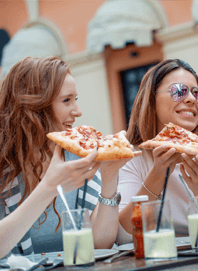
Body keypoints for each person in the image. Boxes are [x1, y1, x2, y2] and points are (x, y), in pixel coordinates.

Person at [0, 56, 139, 259]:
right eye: (66, 100)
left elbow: (100, 244)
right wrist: (49, 187)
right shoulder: (4, 166)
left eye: (76, 99)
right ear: (34, 106)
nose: (78, 111)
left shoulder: (78, 158)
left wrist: (109, 177)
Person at [117, 59, 198, 244]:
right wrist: (157, 175)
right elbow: (126, 232)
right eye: (178, 91)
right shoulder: (132, 155)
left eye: (197, 93)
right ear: (151, 99)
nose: (192, 99)